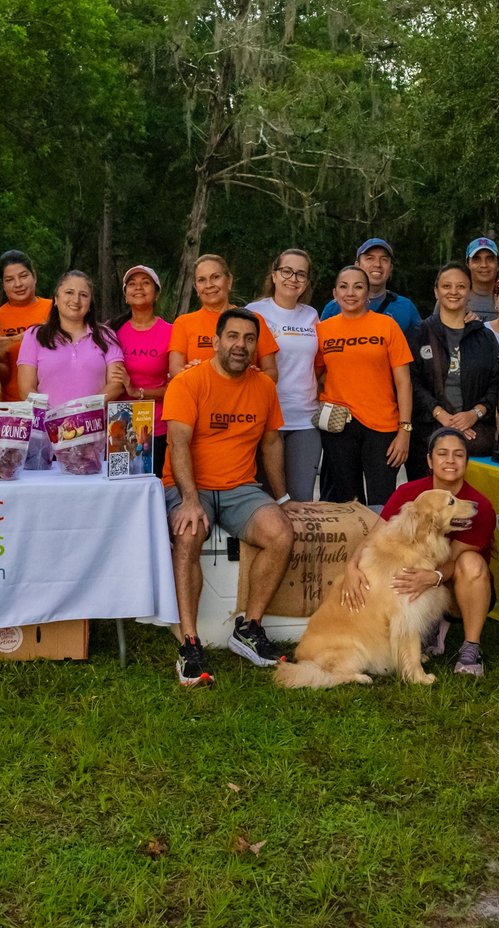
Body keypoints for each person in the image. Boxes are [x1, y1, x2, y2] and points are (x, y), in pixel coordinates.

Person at [164, 307, 297, 685]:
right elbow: (178, 443)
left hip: (240, 488)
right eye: (233, 337)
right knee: (189, 533)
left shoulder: (264, 386)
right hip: (190, 485)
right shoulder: (188, 382)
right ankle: (190, 642)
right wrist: (190, 500)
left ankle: (249, 628)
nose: (241, 345)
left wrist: (283, 498)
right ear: (216, 341)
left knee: (281, 533)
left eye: (249, 339)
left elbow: (271, 443)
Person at [339, 428, 497, 678]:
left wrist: (432, 578)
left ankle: (470, 647)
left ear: (467, 462)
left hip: (460, 586)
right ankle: (415, 634)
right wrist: (351, 567)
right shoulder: (408, 494)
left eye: (458, 455)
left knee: (471, 563)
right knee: (396, 572)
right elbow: (375, 536)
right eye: (442, 454)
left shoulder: (480, 507)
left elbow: (453, 559)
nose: (450, 460)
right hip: (418, 577)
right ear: (429, 461)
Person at [315, 265, 414, 508]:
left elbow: (404, 382)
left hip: (382, 426)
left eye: (358, 287)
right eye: (343, 287)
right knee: (349, 504)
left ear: (368, 293)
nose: (350, 293)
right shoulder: (322, 330)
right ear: (335, 293)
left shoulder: (387, 326)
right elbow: (315, 376)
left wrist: (404, 430)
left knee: (382, 504)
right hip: (339, 428)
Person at [406, 262, 499, 475]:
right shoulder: (420, 333)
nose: (453, 292)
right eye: (446, 286)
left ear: (469, 292)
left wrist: (474, 414)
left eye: (461, 286)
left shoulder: (484, 337)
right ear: (436, 291)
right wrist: (439, 413)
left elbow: (497, 382)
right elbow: (411, 381)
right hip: (427, 429)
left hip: (475, 432)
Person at [247, 249, 321, 499]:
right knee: (268, 500)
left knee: (301, 500)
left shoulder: (311, 315)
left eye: (301, 274)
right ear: (274, 275)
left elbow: (318, 365)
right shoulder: (254, 312)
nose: (293, 278)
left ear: (306, 282)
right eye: (287, 271)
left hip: (305, 420)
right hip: (265, 418)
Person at [17, 270, 127, 406]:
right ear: (56, 299)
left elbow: (116, 385)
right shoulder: (34, 335)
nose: (76, 300)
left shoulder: (106, 335)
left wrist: (85, 411)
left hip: (93, 418)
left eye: (83, 295)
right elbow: (25, 389)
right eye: (69, 292)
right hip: (47, 419)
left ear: (90, 304)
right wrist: (53, 415)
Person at [169, 254, 279, 379]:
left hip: (245, 391)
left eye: (215, 277)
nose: (209, 285)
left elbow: (271, 372)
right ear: (196, 287)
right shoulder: (184, 322)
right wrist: (189, 373)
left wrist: (253, 378)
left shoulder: (253, 320)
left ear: (229, 280)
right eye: (201, 280)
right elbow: (175, 370)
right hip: (199, 391)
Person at [114, 264, 172, 474]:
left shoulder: (171, 332)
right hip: (119, 426)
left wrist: (138, 392)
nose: (138, 287)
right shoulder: (112, 331)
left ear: (156, 294)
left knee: (151, 484)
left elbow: (176, 387)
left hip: (157, 427)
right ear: (125, 296)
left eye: (145, 283)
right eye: (132, 284)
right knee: (121, 486)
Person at [319, 237, 422, 332]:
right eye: (370, 258)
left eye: (384, 259)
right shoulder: (334, 307)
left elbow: (423, 344)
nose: (377, 264)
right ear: (357, 265)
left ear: (391, 268)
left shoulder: (406, 308)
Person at [0, 250, 52, 400]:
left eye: (23, 276)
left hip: (52, 403)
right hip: (10, 406)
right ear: (3, 285)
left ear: (34, 276)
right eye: (9, 280)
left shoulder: (55, 310)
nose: (18, 284)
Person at [464, 237, 499, 321]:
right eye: (476, 259)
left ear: (498, 265)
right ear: (468, 265)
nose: (484, 265)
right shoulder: (454, 298)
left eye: (490, 259)